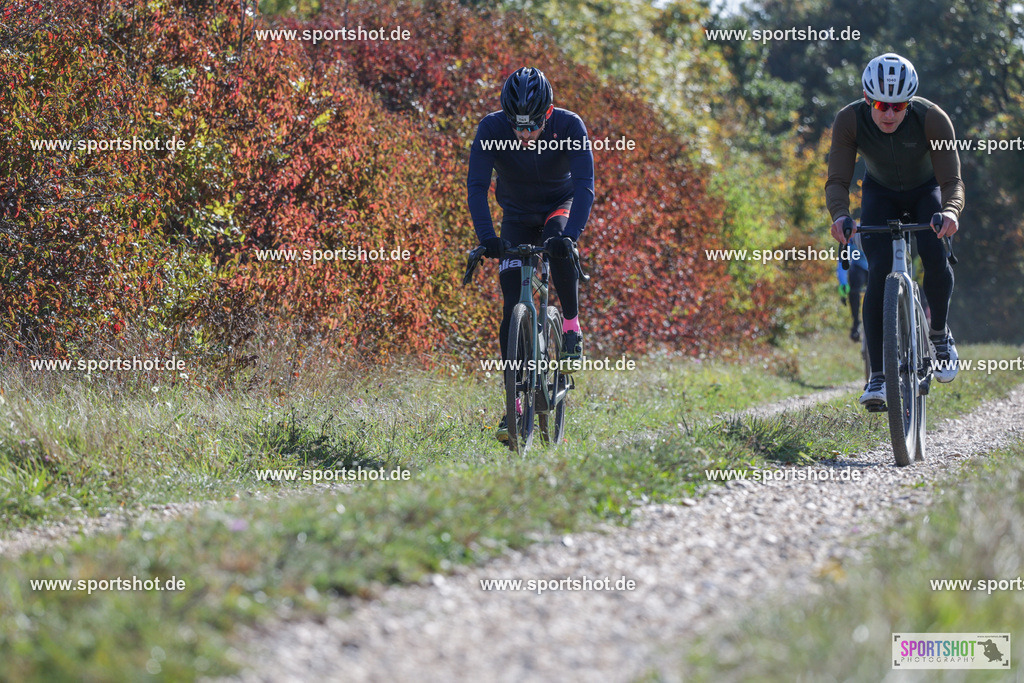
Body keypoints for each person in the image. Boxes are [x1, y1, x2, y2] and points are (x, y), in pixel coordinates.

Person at [826, 53, 964, 408]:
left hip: (925, 192)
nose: (889, 114)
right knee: (879, 273)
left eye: (898, 106)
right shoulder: (849, 119)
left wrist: (950, 212)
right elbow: (838, 181)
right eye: (881, 105)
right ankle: (878, 377)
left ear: (909, 103)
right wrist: (840, 216)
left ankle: (939, 336)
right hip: (879, 193)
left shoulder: (932, 119)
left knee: (935, 254)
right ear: (868, 99)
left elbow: (952, 181)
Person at [467, 67, 595, 441]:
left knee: (558, 244)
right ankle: (515, 406)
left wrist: (571, 237)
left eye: (533, 126)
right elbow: (476, 187)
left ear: (548, 114)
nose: (524, 134)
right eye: (517, 126)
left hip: (560, 204)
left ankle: (570, 327)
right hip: (518, 215)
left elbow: (585, 186)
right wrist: (487, 237)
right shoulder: (491, 130)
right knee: (511, 303)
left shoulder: (570, 127)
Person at [836, 232, 868, 342]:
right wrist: (843, 284)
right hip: (860, 267)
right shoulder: (852, 236)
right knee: (854, 280)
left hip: (875, 264)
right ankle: (856, 323)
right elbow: (842, 261)